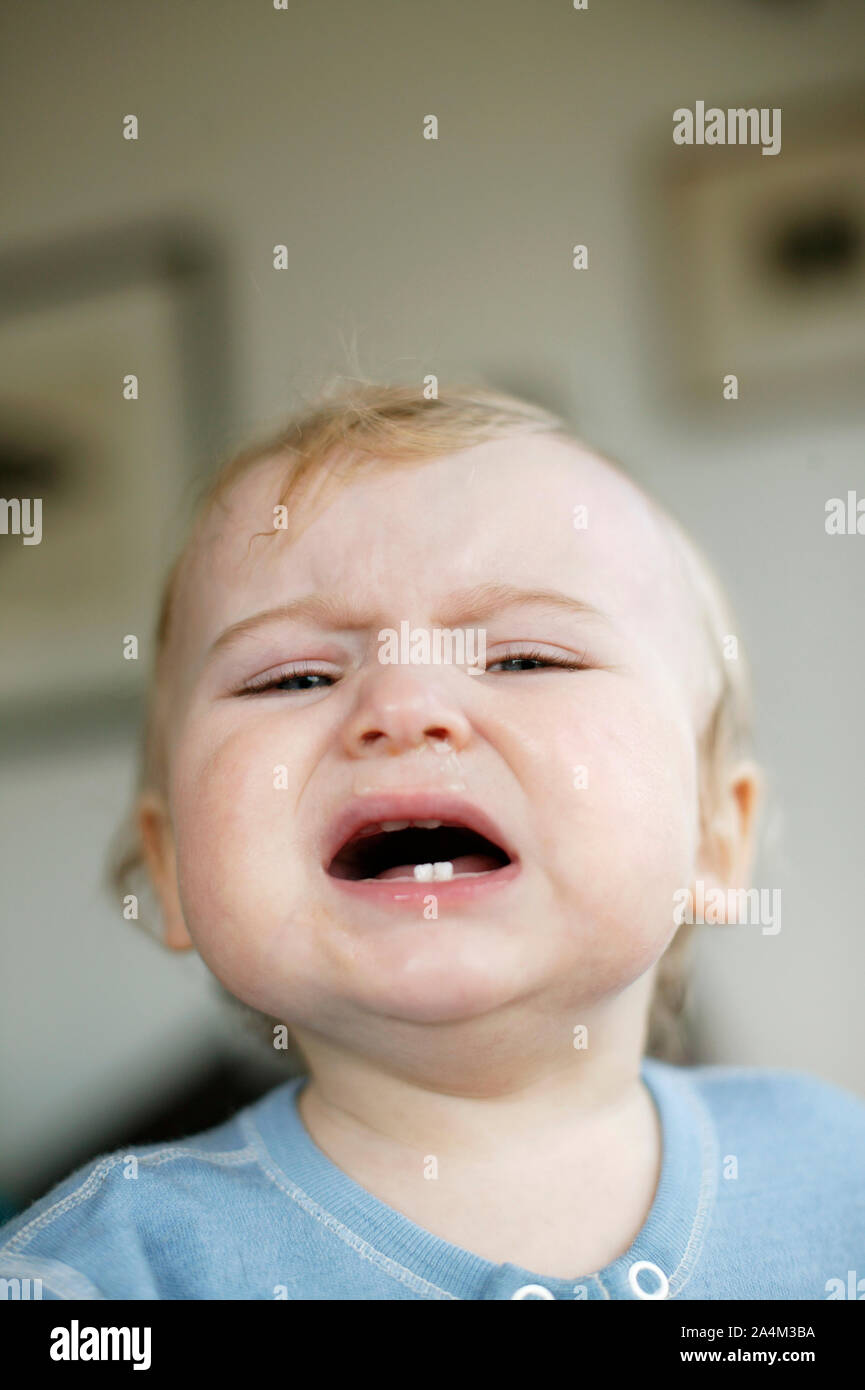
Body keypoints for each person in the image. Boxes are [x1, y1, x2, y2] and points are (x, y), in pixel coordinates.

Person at [2, 381, 862, 1300]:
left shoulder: (834, 1175)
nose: (401, 708)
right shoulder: (108, 1274)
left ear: (712, 839)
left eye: (524, 659)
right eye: (292, 677)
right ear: (170, 866)